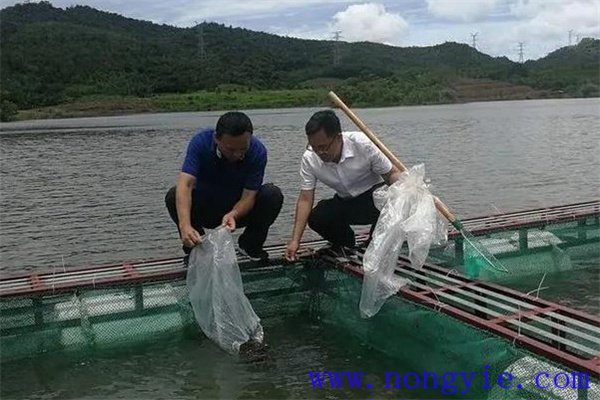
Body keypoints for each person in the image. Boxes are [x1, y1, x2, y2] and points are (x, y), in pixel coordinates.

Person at [285, 109, 402, 262]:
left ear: (338, 138)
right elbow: (305, 199)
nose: (320, 153)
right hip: (346, 202)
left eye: (324, 147)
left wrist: (405, 188)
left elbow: (390, 174)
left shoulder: (362, 144)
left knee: (394, 201)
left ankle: (375, 243)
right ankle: (345, 244)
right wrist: (295, 240)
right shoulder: (309, 158)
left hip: (374, 202)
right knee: (317, 216)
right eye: (314, 147)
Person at [165, 111, 283, 261]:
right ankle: (195, 244)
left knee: (272, 194)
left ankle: (250, 246)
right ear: (216, 139)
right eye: (231, 149)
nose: (237, 155)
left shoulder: (257, 151)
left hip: (237, 212)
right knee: (173, 195)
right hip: (207, 208)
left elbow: (249, 196)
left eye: (242, 149)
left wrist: (234, 214)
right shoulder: (200, 143)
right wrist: (184, 225)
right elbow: (185, 184)